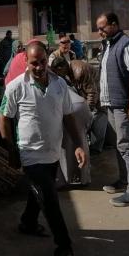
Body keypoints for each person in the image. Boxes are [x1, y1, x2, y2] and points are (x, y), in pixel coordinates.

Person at [0, 41, 87, 256]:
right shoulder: (16, 87)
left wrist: (77, 144)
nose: (38, 67)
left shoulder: (59, 85)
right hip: (29, 153)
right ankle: (64, 245)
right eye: (33, 63)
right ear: (26, 62)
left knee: (39, 191)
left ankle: (27, 223)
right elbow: (4, 119)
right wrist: (11, 150)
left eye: (42, 62)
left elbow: (68, 116)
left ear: (47, 60)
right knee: (49, 198)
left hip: (53, 151)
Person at [96, 12, 129, 207]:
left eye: (102, 28)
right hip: (111, 104)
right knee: (119, 145)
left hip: (123, 105)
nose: (100, 32)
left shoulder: (127, 44)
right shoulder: (109, 44)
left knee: (127, 147)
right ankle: (124, 181)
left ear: (114, 25)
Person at [49, 57, 92, 187]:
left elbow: (91, 90)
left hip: (70, 109)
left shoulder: (51, 79)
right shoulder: (61, 80)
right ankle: (83, 179)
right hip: (81, 106)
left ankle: (64, 181)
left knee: (63, 147)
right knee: (81, 143)